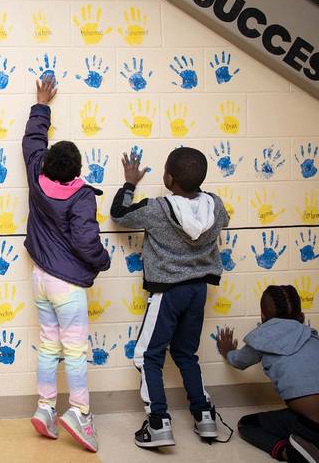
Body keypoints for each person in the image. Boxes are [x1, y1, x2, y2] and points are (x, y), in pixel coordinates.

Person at [110, 146, 229, 448]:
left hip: (167, 292)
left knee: (147, 355)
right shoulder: (215, 205)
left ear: (169, 178)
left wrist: (129, 184)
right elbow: (222, 222)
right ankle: (205, 418)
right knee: (186, 354)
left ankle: (158, 423)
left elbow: (119, 215)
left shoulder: (158, 208)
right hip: (198, 290)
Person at [23, 75, 110, 452]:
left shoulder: (36, 179)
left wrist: (42, 104)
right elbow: (86, 242)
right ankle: (79, 412)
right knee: (74, 349)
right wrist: (103, 261)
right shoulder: (81, 197)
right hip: (68, 285)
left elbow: (31, 143)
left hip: (40, 278)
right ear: (76, 172)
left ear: (46, 165)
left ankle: (44, 409)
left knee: (48, 345)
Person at [216, 285, 319, 462]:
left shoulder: (262, 339)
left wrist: (228, 352)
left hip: (310, 426)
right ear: (301, 315)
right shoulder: (312, 335)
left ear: (263, 316)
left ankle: (291, 451)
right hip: (310, 421)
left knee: (246, 424)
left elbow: (239, 362)